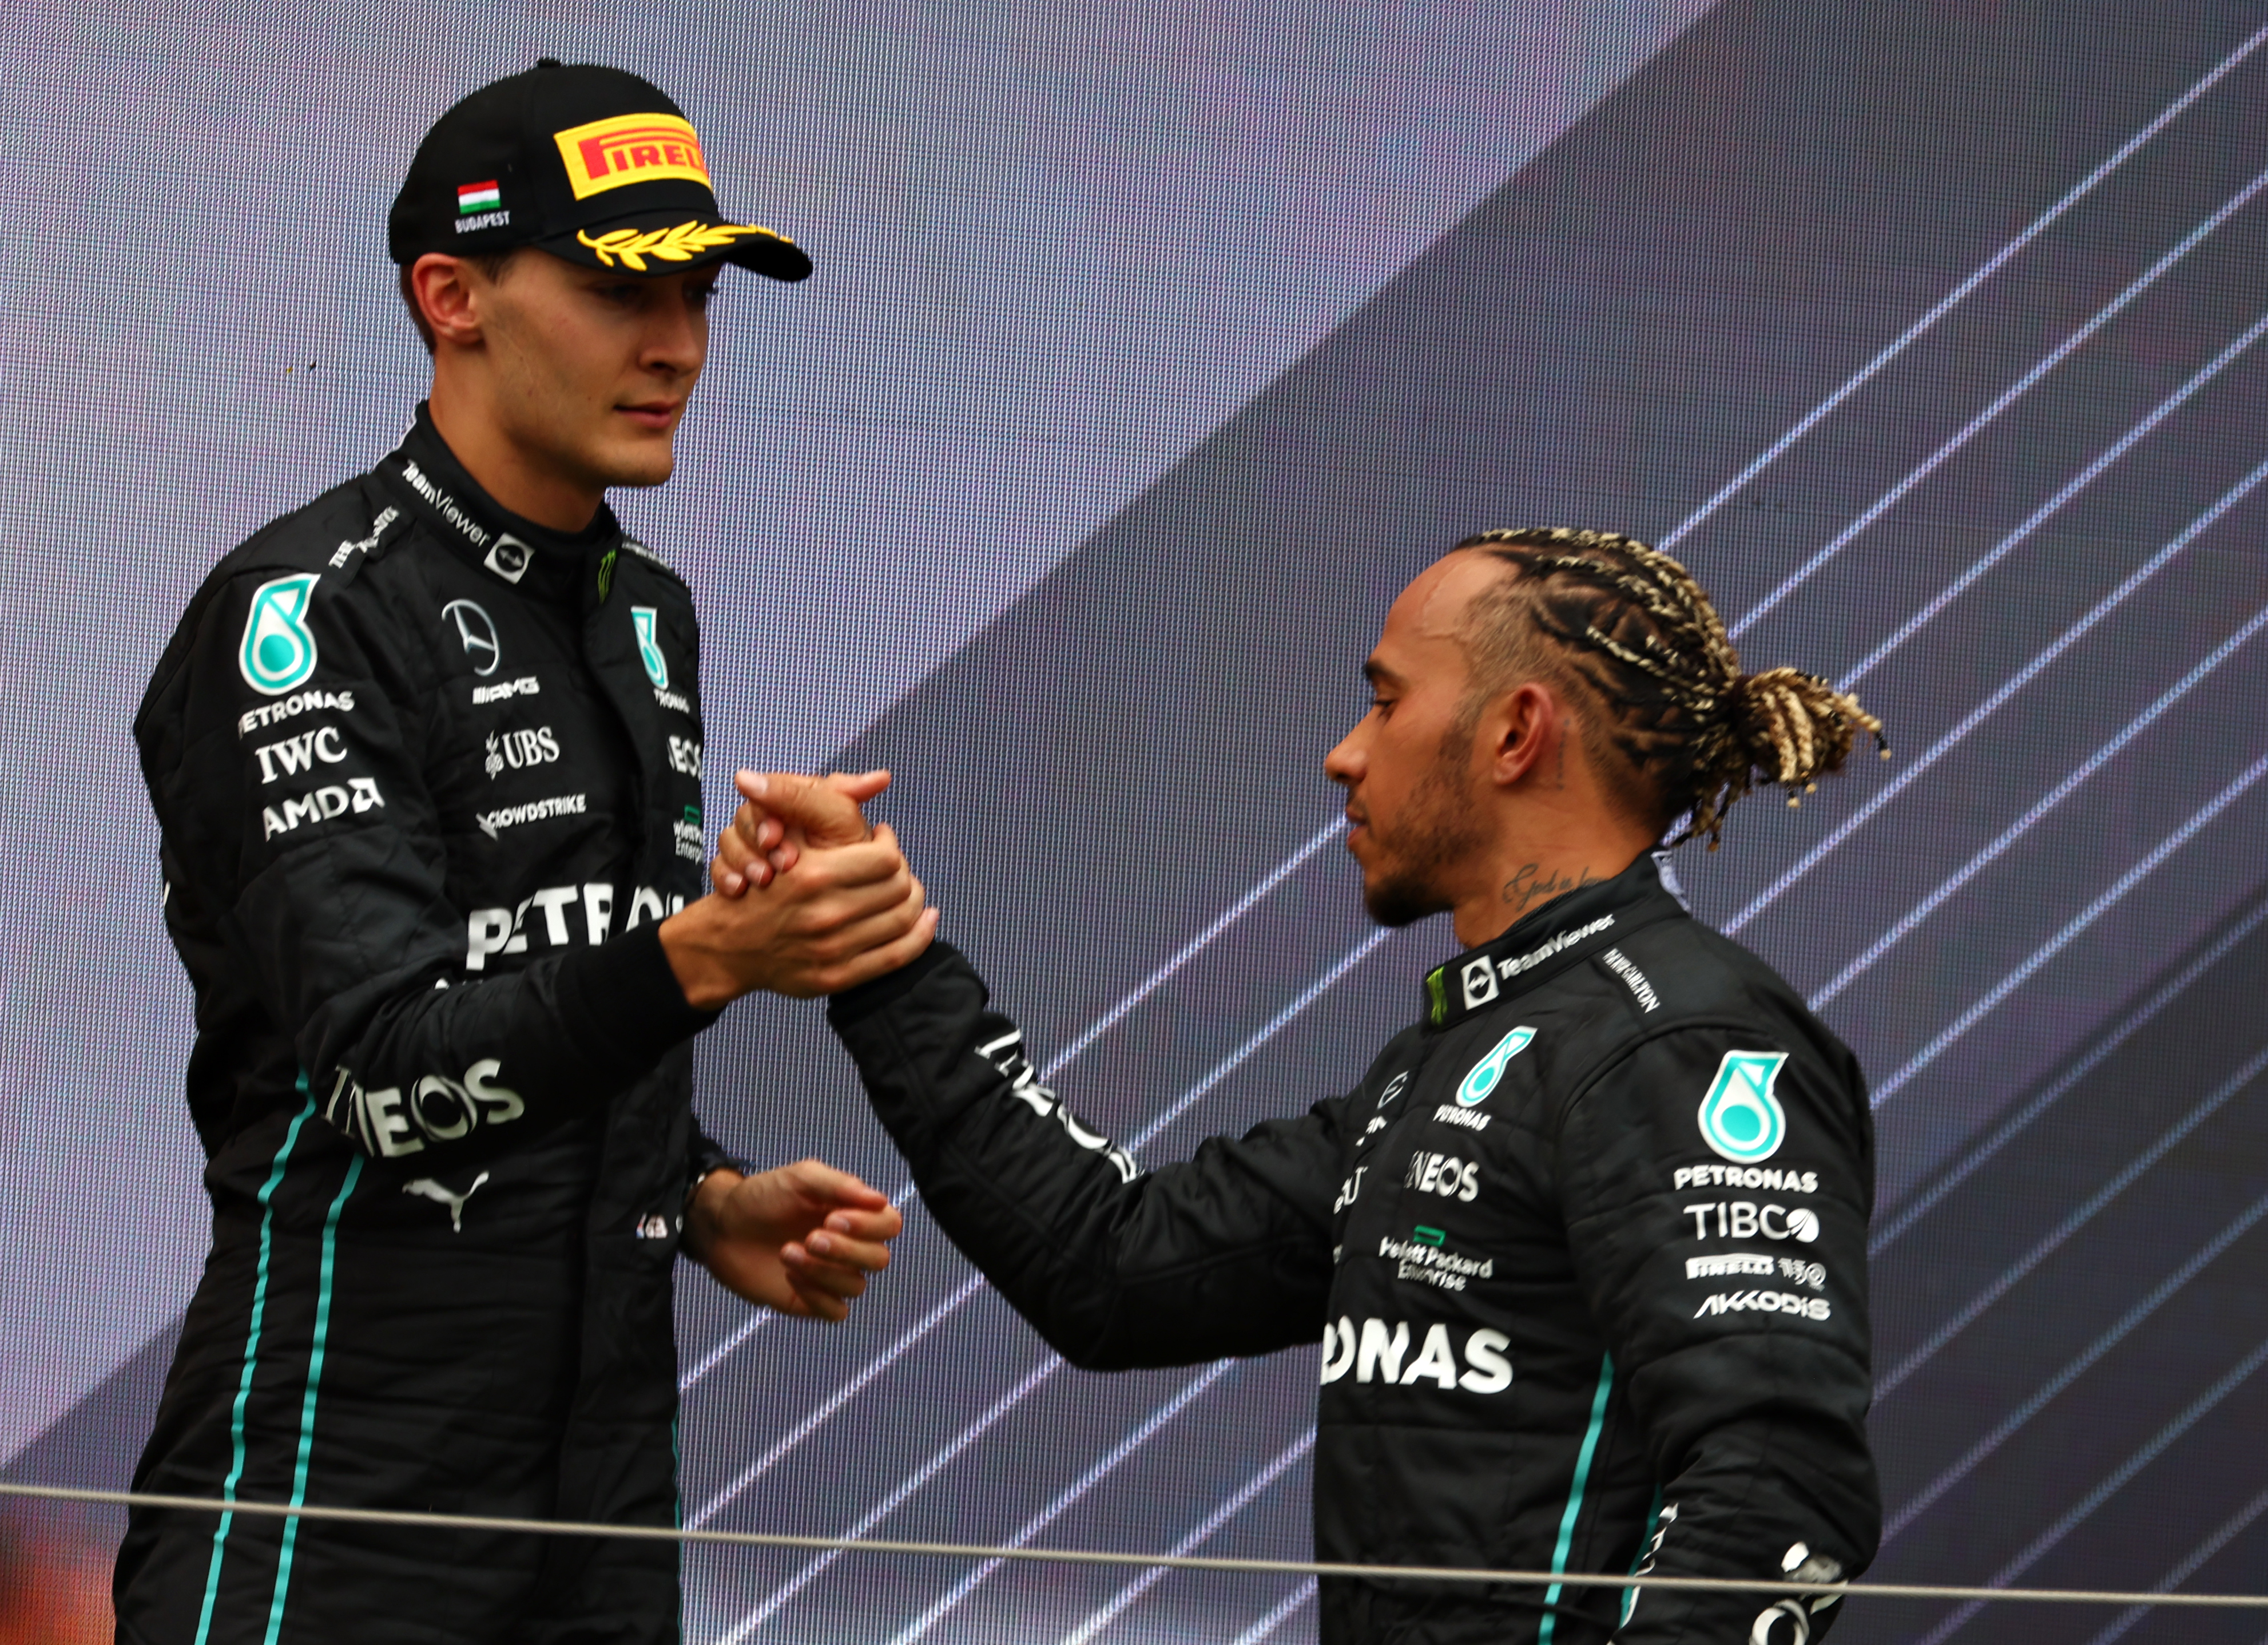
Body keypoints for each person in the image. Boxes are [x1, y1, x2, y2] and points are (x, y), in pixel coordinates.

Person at [718, 528, 1888, 1643]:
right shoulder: (1472, 1054)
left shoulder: (1678, 1040)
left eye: (1385, 700)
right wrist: (882, 957)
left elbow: (1778, 1484)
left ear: (1516, 731)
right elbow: (1109, 1266)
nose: (1347, 749)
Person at [119, 61, 936, 1645]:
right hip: (337, 1500)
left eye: (698, 288)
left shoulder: (646, 612)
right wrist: (710, 953)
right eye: (619, 286)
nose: (679, 343)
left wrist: (698, 1195)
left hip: (603, 1503)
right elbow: (381, 1071)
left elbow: (553, 983)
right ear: (451, 296)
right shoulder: (307, 616)